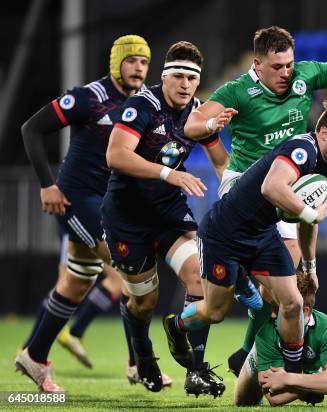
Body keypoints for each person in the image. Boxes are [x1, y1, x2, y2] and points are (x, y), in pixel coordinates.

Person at [182, 26, 327, 375]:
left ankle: (247, 355)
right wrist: (211, 121)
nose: (286, 73)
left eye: (289, 64)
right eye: (277, 67)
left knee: (289, 288)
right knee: (241, 295)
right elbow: (192, 124)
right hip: (244, 185)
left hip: (291, 183)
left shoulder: (303, 76)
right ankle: (237, 276)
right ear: (257, 64)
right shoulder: (238, 90)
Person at [163, 100, 327, 382]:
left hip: (261, 235)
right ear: (324, 134)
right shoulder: (302, 149)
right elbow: (272, 187)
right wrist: (310, 213)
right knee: (216, 311)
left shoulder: (325, 164)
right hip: (224, 234)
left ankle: (292, 377)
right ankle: (176, 325)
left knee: (292, 302)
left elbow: (306, 219)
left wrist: (310, 267)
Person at [15, 35, 170, 393]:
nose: (139, 68)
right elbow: (31, 129)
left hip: (109, 203)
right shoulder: (89, 97)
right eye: (131, 60)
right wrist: (46, 185)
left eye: (144, 62)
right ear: (117, 63)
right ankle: (140, 363)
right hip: (76, 198)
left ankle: (34, 357)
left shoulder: (147, 103)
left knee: (77, 281)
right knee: (130, 270)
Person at [102, 41, 223, 396]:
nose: (186, 85)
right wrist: (169, 174)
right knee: (144, 302)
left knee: (200, 277)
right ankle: (143, 355)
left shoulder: (198, 113)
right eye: (180, 77)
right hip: (127, 217)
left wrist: (236, 192)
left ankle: (196, 370)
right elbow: (116, 155)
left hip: (169, 213)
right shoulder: (143, 105)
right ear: (165, 77)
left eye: (193, 78)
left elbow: (220, 160)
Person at [234, 272, 327, 407]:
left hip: (291, 374)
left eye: (278, 308)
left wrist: (288, 379)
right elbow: (275, 397)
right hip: (260, 360)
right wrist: (316, 382)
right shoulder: (266, 328)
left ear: (304, 311)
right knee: (244, 402)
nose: (271, 314)